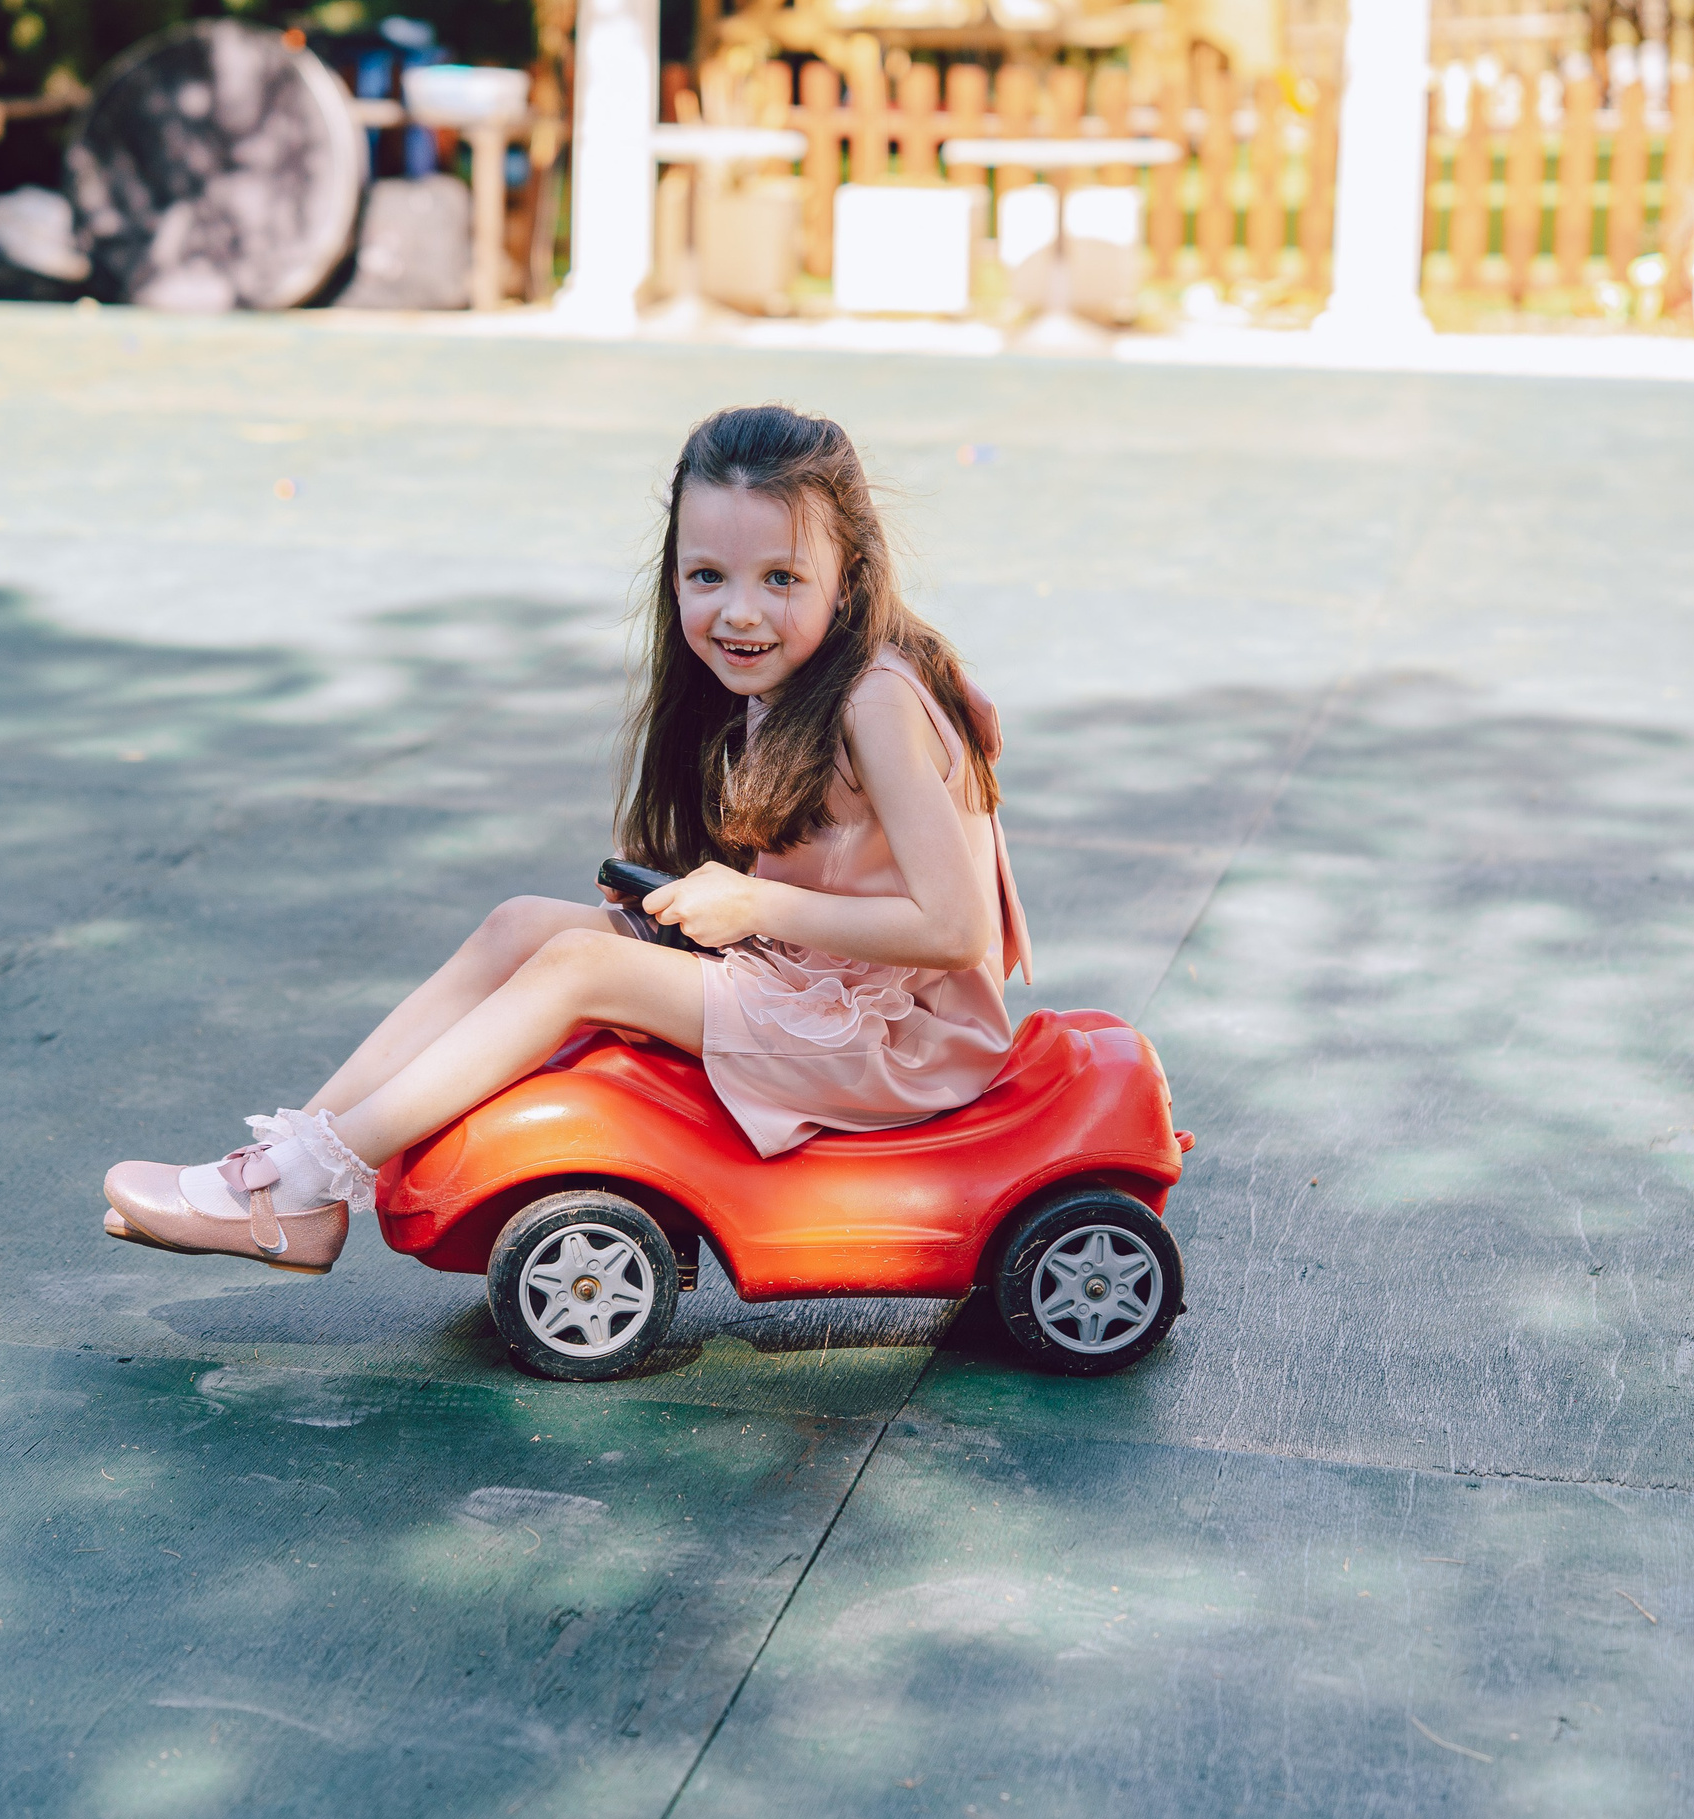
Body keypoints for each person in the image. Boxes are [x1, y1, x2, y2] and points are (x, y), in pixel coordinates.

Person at [102, 403, 1029, 1274]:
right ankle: (289, 1165)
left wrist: (755, 902)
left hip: (897, 1041)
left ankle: (309, 1180)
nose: (739, 611)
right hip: (810, 980)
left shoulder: (876, 699)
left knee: (576, 970)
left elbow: (956, 930)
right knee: (521, 927)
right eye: (708, 576)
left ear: (851, 576)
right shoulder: (808, 678)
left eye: (781, 578)